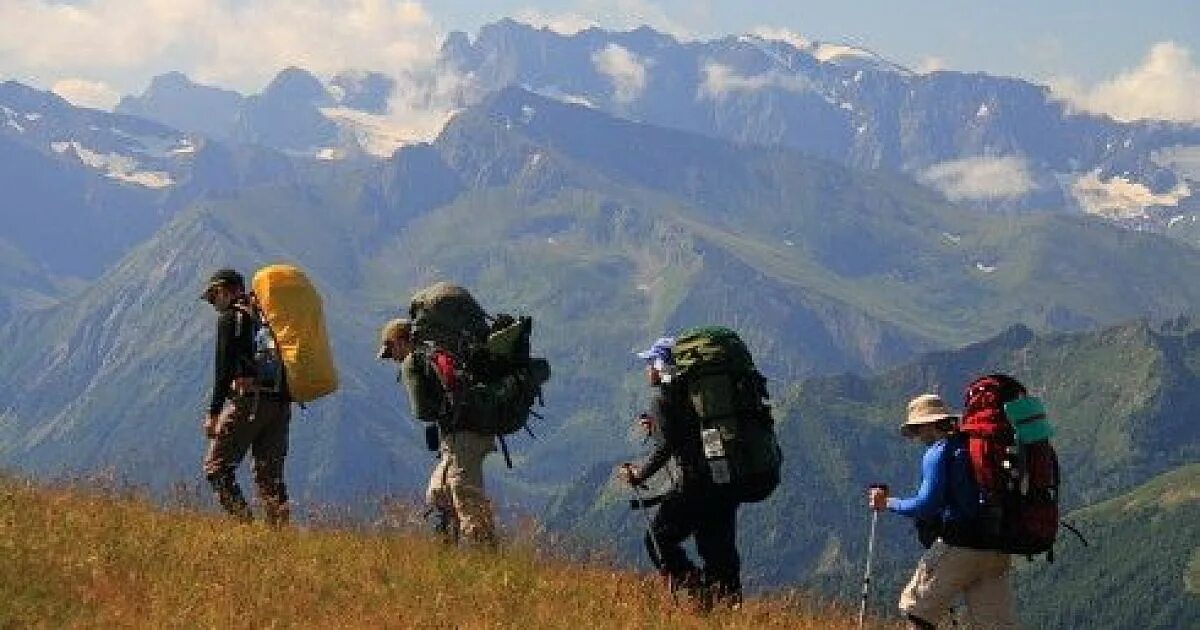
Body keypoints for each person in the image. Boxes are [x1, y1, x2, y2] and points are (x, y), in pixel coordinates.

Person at [868, 394, 1017, 629]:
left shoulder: (939, 452)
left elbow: (926, 505)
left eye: (917, 429)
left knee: (916, 609)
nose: (918, 436)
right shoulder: (973, 446)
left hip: (960, 544)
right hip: (997, 547)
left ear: (928, 424)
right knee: (995, 625)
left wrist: (889, 503)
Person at [618, 337, 742, 611]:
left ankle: (697, 590)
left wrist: (639, 475)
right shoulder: (700, 396)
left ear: (662, 367)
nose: (647, 369)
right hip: (724, 482)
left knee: (657, 540)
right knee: (719, 553)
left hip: (694, 485)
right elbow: (689, 434)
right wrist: (657, 428)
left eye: (651, 363)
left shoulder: (662, 401)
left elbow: (667, 447)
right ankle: (731, 610)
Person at [378, 317, 498, 547]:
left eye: (391, 350)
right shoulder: (435, 354)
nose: (392, 358)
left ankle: (487, 560)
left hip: (463, 435)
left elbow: (422, 411)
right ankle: (445, 551)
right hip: (469, 431)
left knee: (466, 498)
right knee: (438, 492)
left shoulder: (414, 361)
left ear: (400, 342)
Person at [200, 268, 292, 526]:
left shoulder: (231, 318)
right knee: (269, 476)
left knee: (216, 468)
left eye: (212, 297)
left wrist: (214, 413)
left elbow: (223, 369)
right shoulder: (267, 317)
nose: (212, 304)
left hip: (249, 401)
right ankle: (280, 538)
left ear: (224, 290)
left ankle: (245, 527)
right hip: (281, 402)